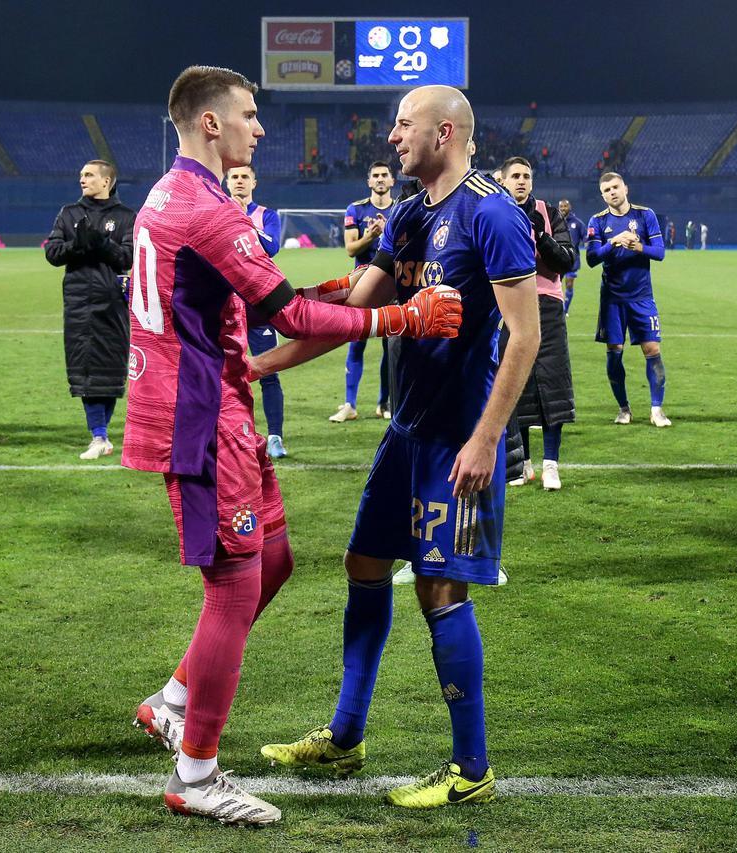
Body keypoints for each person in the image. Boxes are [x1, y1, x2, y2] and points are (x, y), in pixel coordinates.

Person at [123, 65, 462, 825]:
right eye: (249, 114)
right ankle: (196, 774)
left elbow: (269, 300)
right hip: (199, 415)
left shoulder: (174, 193)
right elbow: (292, 320)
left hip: (217, 406)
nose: (261, 127)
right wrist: (401, 317)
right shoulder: (209, 209)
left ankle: (172, 701)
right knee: (233, 586)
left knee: (272, 562)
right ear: (211, 122)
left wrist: (348, 288)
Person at [255, 84, 539, 809]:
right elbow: (352, 312)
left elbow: (525, 335)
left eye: (404, 124)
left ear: (444, 132)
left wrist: (486, 439)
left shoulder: (491, 212)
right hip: (406, 430)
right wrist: (256, 364)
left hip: (458, 439)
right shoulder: (410, 215)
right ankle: (345, 736)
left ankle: (471, 768)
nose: (391, 136)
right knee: (364, 562)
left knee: (440, 588)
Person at [44, 160, 136, 459]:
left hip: (113, 302)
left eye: (89, 175)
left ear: (106, 181)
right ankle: (99, 435)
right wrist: (78, 245)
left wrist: (101, 242)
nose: (82, 179)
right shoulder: (69, 213)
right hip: (78, 301)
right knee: (85, 367)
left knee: (109, 368)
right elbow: (52, 253)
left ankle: (101, 434)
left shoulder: (126, 216)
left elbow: (127, 258)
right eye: (81, 175)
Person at [500, 156, 576, 490]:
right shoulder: (493, 214)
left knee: (552, 381)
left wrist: (541, 234)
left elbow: (566, 261)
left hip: (546, 304)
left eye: (526, 176)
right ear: (503, 181)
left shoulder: (548, 212)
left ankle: (551, 465)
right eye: (515, 176)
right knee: (516, 382)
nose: (521, 181)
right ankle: (523, 464)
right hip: (508, 306)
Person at [586, 172, 671, 427]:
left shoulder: (645, 215)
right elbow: (591, 259)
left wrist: (638, 247)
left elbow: (660, 253)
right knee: (614, 353)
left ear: (625, 188)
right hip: (612, 299)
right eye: (606, 190)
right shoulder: (598, 221)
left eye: (615, 187)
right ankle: (624, 408)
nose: (612, 192)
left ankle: (656, 409)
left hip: (642, 296)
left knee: (652, 349)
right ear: (602, 195)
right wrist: (613, 242)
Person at [224, 164, 288, 458]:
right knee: (224, 375)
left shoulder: (267, 215)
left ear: (254, 183)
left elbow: (271, 247)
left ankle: (275, 437)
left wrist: (241, 219)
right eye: (234, 177)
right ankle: (234, 435)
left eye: (244, 177)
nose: (239, 181)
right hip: (225, 307)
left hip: (259, 306)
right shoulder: (216, 212)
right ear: (227, 182)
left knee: (268, 372)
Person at [331, 161, 397, 423]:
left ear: (392, 181)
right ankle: (350, 404)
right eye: (375, 175)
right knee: (356, 343)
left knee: (389, 346)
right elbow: (350, 249)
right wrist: (370, 236)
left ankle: (384, 402)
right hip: (362, 288)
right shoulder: (356, 209)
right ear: (369, 181)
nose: (380, 179)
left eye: (384, 175)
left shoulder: (400, 209)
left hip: (391, 288)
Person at [557, 198, 585, 316]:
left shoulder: (577, 223)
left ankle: (565, 310)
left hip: (572, 260)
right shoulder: (555, 222)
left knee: (569, 284)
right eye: (561, 206)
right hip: (557, 259)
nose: (563, 208)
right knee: (556, 285)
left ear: (570, 207)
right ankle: (557, 309)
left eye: (565, 206)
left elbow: (586, 238)